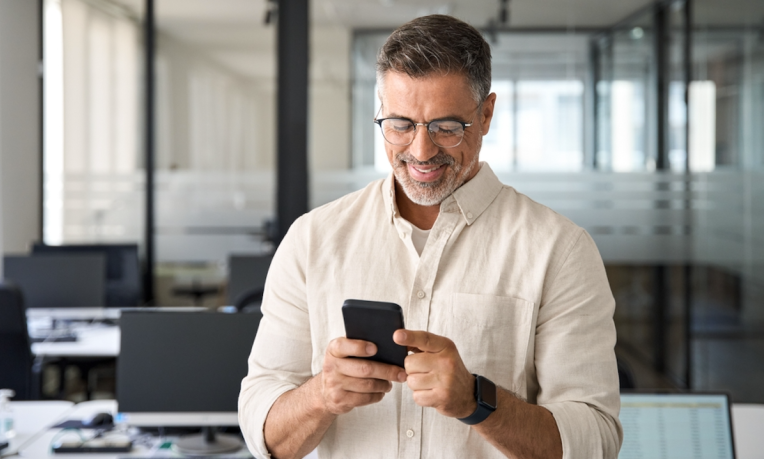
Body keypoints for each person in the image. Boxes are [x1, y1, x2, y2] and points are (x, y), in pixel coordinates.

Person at [239, 14, 622, 459]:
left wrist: (478, 401)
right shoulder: (312, 240)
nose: (420, 152)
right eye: (400, 124)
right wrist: (321, 396)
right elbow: (262, 429)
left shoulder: (560, 250)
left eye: (446, 127)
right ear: (379, 111)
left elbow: (596, 440)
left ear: (486, 115)